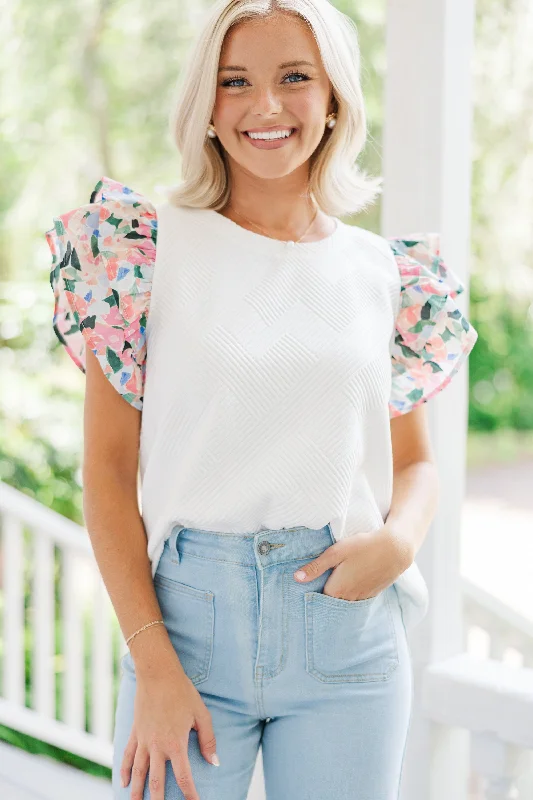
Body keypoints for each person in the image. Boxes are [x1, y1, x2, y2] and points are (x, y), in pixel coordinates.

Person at [45, 1, 478, 798]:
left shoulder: (384, 273)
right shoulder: (143, 251)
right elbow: (107, 474)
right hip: (185, 635)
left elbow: (414, 462)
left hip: (347, 632)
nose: (265, 106)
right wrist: (155, 668)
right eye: (235, 80)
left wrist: (399, 542)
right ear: (206, 104)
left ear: (335, 100)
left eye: (294, 78)